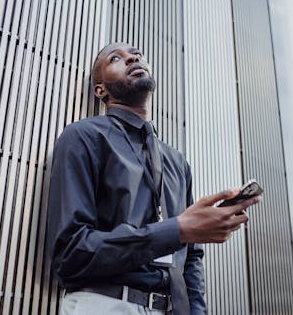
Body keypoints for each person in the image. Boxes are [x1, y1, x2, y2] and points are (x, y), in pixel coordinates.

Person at [47, 42, 262, 315]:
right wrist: (177, 230)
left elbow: (191, 256)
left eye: (137, 54)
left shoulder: (176, 161)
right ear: (100, 90)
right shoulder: (83, 137)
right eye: (116, 58)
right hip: (102, 304)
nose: (132, 58)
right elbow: (71, 254)